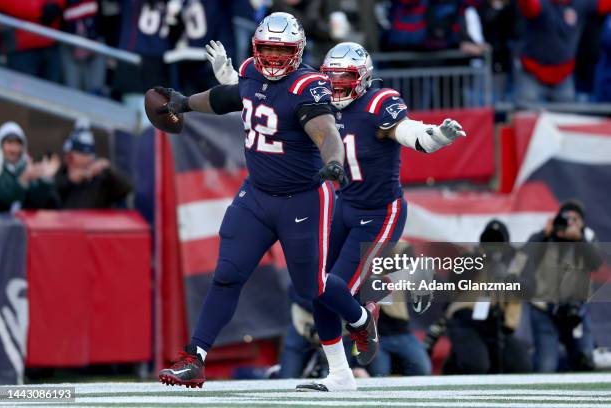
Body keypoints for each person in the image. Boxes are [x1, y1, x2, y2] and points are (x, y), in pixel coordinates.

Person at [209, 40, 465, 390]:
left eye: (346, 79)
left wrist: (436, 137)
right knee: (319, 288)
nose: (337, 85)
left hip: (378, 213)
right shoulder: (315, 92)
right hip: (341, 205)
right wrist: (226, 74)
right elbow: (258, 97)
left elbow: (410, 132)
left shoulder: (379, 104)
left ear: (362, 78)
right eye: (333, 78)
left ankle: (363, 321)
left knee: (337, 286)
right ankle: (341, 374)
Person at [153, 13, 380, 390]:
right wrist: (184, 103)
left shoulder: (308, 85)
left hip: (303, 199)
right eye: (268, 48)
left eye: (282, 49)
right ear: (257, 49)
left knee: (314, 288)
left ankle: (360, 319)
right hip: (257, 195)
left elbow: (324, 131)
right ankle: (195, 358)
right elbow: (228, 97)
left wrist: (335, 162)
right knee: (227, 274)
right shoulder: (249, 72)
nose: (274, 57)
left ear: (297, 51)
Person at [443, 220, 533, 374]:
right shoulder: (470, 257)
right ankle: (454, 367)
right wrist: (480, 258)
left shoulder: (516, 261)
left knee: (521, 365)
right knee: (477, 365)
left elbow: (528, 291)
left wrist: (507, 274)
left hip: (498, 323)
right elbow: (455, 280)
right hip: (466, 321)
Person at [526, 200, 603, 372]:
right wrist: (544, 235)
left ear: (582, 222)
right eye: (566, 219)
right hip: (545, 309)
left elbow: (596, 263)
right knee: (546, 365)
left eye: (574, 220)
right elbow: (525, 259)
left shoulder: (587, 237)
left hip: (576, 310)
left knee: (585, 360)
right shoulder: (546, 236)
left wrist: (579, 239)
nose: (569, 224)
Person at [516, 0, 611, 104]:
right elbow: (528, 7)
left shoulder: (581, 3)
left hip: (564, 77)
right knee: (525, 116)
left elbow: (605, 4)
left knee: (566, 117)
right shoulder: (540, 3)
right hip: (532, 75)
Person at [54, 119, 132, 209]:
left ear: (87, 156)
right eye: (68, 155)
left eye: (72, 155)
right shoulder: (62, 173)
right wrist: (69, 180)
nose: (68, 159)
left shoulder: (101, 177)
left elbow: (127, 188)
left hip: (94, 222)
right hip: (66, 221)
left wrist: (108, 170)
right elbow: (51, 194)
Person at [0, 122, 60, 212]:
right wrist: (22, 180)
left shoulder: (27, 167)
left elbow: (38, 203)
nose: (14, 149)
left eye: (17, 143)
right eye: (9, 143)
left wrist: (45, 180)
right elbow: (3, 199)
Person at [0, 0, 64, 83]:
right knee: (22, 91)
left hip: (52, 42)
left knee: (53, 89)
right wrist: (39, 10)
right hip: (21, 47)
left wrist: (57, 4)